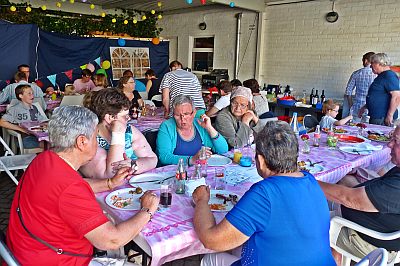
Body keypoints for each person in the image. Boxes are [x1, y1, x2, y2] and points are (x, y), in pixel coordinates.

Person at [6, 105, 159, 265]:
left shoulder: (45, 159)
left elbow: (67, 188)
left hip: (26, 250)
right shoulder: (69, 189)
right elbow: (112, 240)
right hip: (58, 260)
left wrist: (109, 183)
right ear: (81, 142)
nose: (97, 143)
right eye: (95, 137)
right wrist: (147, 210)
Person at [193, 121, 335, 266]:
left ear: (260, 161)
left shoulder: (264, 193)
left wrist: (201, 201)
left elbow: (211, 240)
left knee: (210, 259)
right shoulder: (310, 180)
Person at [318, 125, 400, 264]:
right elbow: (373, 190)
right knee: (344, 180)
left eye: (396, 141)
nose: (389, 144)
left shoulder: (396, 186)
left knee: (311, 225)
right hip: (372, 226)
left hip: (371, 243)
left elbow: (349, 199)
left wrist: (309, 182)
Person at [80, 88, 157, 179]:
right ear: (109, 118)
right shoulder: (89, 139)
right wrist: (118, 134)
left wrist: (133, 165)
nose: (129, 118)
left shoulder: (129, 131)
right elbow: (111, 176)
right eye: (125, 116)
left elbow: (152, 159)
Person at [156, 95, 228, 166]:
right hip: (176, 172)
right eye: (177, 115)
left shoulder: (200, 125)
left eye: (186, 114)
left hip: (199, 172)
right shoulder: (166, 126)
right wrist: (191, 160)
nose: (182, 119)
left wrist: (210, 128)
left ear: (194, 113)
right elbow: (164, 157)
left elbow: (223, 150)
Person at [0, 84, 47, 149]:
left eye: (32, 93)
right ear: (21, 96)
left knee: (53, 142)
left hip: (37, 136)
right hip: (25, 139)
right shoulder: (15, 109)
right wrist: (20, 129)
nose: (32, 95)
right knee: (47, 145)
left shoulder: (34, 108)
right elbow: (2, 122)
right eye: (29, 93)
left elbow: (42, 121)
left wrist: (46, 124)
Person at [359, 53, 400, 126]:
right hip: (377, 116)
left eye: (372, 63)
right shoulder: (382, 76)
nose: (371, 66)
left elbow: (396, 97)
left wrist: (390, 115)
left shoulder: (389, 76)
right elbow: (380, 95)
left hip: (382, 118)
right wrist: (366, 106)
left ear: (379, 63)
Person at [344, 52, 376, 119]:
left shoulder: (356, 73)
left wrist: (351, 105)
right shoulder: (377, 74)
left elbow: (348, 91)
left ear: (366, 60)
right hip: (372, 107)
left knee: (355, 127)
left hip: (357, 106)